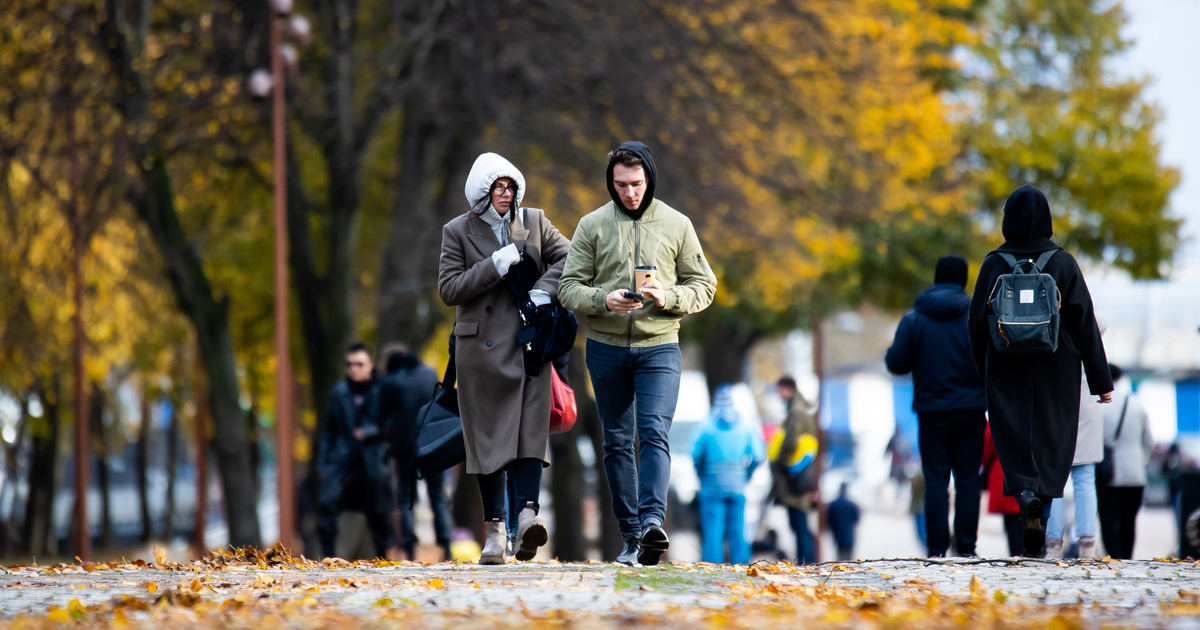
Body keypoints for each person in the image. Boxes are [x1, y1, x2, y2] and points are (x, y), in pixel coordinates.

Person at [559, 141, 717, 566]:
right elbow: (568, 287)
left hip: (659, 345)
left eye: (636, 183)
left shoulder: (677, 224)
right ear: (610, 183)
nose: (629, 192)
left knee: (653, 432)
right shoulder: (592, 225)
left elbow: (705, 286)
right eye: (621, 184)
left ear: (649, 178)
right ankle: (631, 536)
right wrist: (602, 301)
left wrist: (669, 297)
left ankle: (652, 522)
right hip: (606, 347)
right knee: (615, 441)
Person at [438, 152, 572, 564]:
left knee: (531, 430)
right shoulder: (456, 231)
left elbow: (572, 257)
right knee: (488, 441)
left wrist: (542, 289)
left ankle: (528, 515)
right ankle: (495, 532)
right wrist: (493, 266)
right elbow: (448, 289)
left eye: (511, 186)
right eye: (498, 187)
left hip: (530, 345)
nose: (506, 194)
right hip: (480, 353)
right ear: (482, 191)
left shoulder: (533, 221)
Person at [968, 185, 1113, 557]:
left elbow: (975, 324)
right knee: (1053, 439)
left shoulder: (993, 263)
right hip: (1057, 366)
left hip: (1006, 365)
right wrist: (1100, 381)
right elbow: (1084, 321)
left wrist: (983, 368)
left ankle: (1026, 496)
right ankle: (1043, 511)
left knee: (1014, 438)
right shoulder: (1063, 263)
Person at [885, 255, 987, 557]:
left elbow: (896, 363)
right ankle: (967, 548)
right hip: (971, 409)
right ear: (964, 280)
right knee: (968, 480)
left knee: (936, 481)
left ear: (936, 278)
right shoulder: (977, 316)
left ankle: (937, 549)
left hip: (931, 412)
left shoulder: (915, 319)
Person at [316, 343, 394, 559]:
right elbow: (328, 431)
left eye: (359, 364)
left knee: (379, 514)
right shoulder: (339, 392)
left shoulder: (384, 390)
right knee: (327, 507)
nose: (354, 368)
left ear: (370, 365)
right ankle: (327, 559)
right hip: (342, 460)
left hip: (373, 460)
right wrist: (323, 464)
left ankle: (383, 557)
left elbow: (393, 425)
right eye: (350, 364)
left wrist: (369, 432)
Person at [379, 343, 453, 561]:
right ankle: (446, 546)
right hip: (433, 444)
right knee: (438, 496)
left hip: (404, 449)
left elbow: (380, 418)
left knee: (406, 498)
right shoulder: (430, 375)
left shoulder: (390, 382)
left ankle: (410, 549)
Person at [691, 385, 765, 565]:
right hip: (737, 487)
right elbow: (759, 455)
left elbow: (695, 454)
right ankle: (742, 567)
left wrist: (702, 476)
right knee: (737, 531)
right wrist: (746, 474)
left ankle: (711, 568)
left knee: (713, 533)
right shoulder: (745, 426)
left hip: (711, 488)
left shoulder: (706, 426)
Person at [1096, 363, 1154, 560]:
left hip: (1107, 472)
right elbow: (1149, 441)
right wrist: (1141, 460)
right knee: (1129, 521)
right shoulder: (1136, 403)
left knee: (1108, 519)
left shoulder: (1099, 405)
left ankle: (1114, 557)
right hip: (1135, 473)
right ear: (1120, 378)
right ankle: (1128, 557)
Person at [1045, 371, 1105, 559]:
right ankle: (1087, 545)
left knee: (1054, 481)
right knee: (1085, 479)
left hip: (1053, 399)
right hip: (1087, 400)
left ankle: (1053, 546)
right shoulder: (1092, 339)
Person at [770, 376, 818, 564]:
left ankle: (805, 563)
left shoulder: (795, 411)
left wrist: (780, 461)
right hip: (801, 474)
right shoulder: (800, 408)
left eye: (779, 391)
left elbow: (790, 441)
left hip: (794, 475)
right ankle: (806, 561)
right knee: (800, 523)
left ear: (785, 389)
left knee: (799, 523)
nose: (778, 395)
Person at [982, 423, 1023, 556]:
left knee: (1012, 526)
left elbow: (986, 447)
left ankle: (1016, 556)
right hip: (1030, 471)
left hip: (1004, 473)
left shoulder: (999, 413)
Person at [826, 483, 860, 561]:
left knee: (840, 556)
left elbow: (829, 521)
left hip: (838, 534)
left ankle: (841, 570)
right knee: (849, 557)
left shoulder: (833, 504)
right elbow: (856, 519)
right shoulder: (852, 504)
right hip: (849, 535)